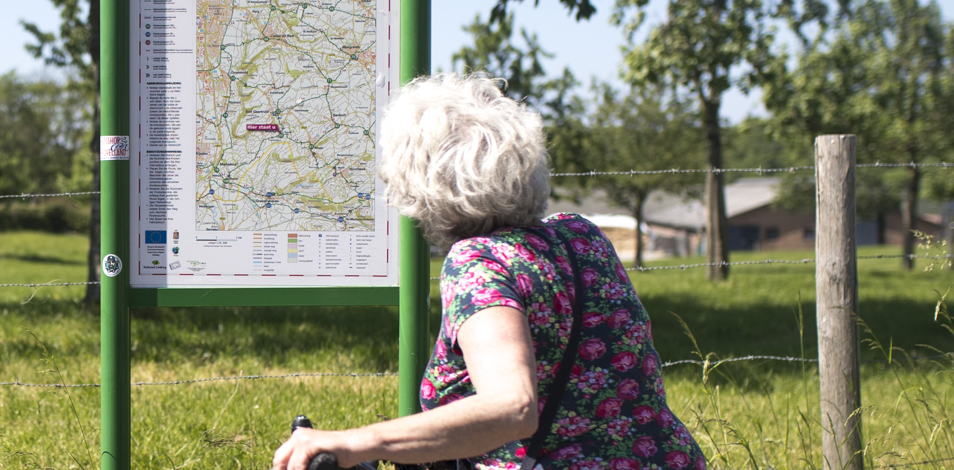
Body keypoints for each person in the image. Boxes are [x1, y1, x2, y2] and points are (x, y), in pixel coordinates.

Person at [272, 74, 704, 470]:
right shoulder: (581, 235)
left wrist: (358, 442)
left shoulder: (478, 263)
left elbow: (512, 407)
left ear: (416, 182)